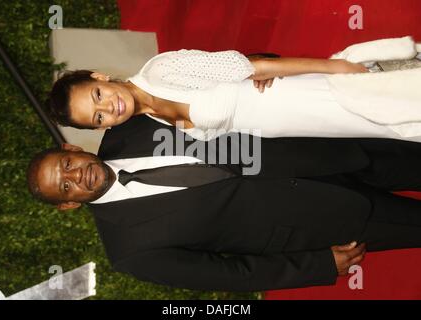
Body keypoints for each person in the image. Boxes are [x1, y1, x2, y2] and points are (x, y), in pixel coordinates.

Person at [27, 115, 421, 291]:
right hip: (318, 222)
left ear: (72, 148)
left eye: (66, 165)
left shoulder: (132, 126)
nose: (76, 177)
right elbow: (229, 275)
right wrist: (314, 266)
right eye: (65, 187)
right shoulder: (129, 252)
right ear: (69, 205)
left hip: (316, 152)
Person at [47, 44, 418, 141]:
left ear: (100, 77)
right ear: (101, 128)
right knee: (384, 126)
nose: (109, 107)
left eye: (97, 95)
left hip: (296, 97)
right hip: (296, 125)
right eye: (98, 116)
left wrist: (332, 66)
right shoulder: (160, 121)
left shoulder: (161, 69)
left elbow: (253, 68)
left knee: (389, 102)